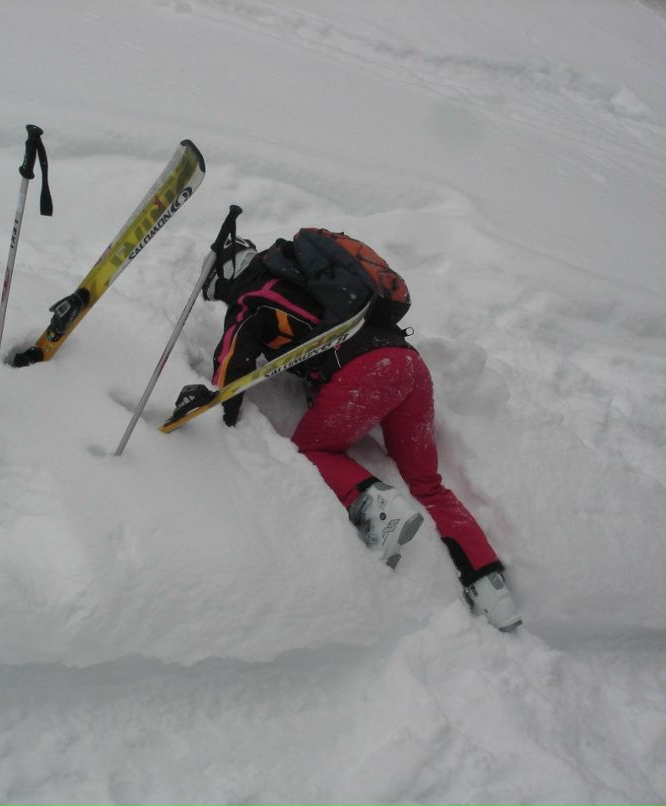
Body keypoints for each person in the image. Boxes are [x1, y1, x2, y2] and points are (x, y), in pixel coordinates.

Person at [190, 226, 522, 632]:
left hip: (364, 372)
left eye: (214, 291)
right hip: (408, 367)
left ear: (224, 275)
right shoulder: (304, 273)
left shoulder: (251, 295)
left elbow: (230, 364)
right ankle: (490, 587)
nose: (220, 299)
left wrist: (218, 417)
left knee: (312, 451)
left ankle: (380, 511)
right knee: (427, 483)